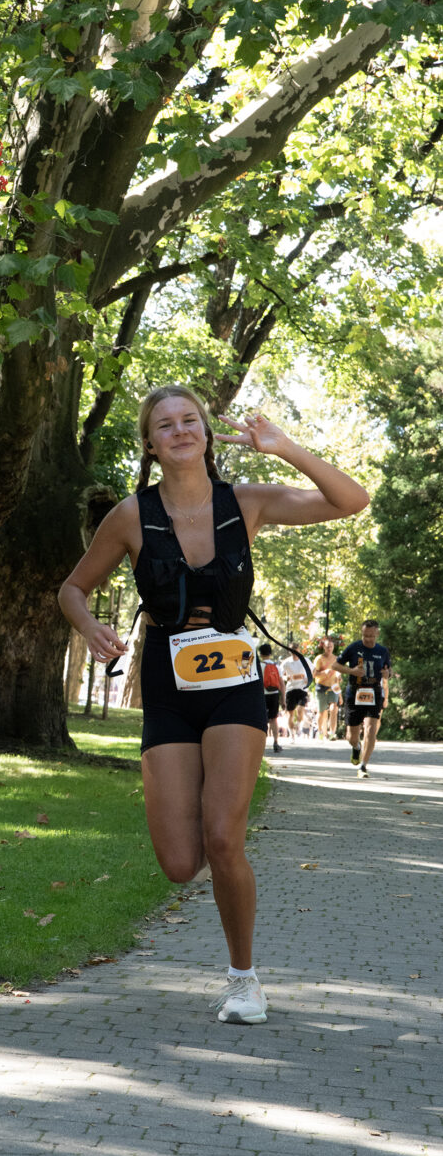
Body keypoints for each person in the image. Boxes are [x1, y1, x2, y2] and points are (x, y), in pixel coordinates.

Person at [58, 385, 369, 1026]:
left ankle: (244, 981)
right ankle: (208, 831)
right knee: (180, 864)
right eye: (165, 425)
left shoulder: (245, 502)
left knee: (224, 838)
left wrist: (285, 447)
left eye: (190, 420)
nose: (180, 430)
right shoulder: (131, 515)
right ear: (150, 444)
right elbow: (72, 588)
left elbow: (351, 500)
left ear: (205, 431)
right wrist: (89, 626)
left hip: (233, 682)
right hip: (166, 686)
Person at [333, 620, 391, 778]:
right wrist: (351, 671)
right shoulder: (354, 648)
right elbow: (335, 666)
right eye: (365, 635)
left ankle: (363, 766)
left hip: (374, 692)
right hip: (355, 692)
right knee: (351, 737)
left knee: (371, 729)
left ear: (377, 634)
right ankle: (356, 747)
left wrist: (387, 674)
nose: (368, 639)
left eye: (371, 636)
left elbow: (388, 671)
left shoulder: (383, 651)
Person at [312, 637, 341, 741]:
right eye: (327, 647)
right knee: (322, 712)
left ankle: (332, 733)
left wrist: (339, 676)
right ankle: (320, 731)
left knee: (334, 709)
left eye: (331, 646)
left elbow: (338, 672)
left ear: (333, 647)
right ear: (324, 647)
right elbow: (314, 674)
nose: (329, 649)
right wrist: (324, 672)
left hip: (333, 688)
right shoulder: (319, 658)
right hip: (321, 687)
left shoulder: (336, 659)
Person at [258, 643, 283, 753]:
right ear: (270, 653)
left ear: (260, 654)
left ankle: (260, 744)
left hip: (262, 694)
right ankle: (276, 742)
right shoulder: (277, 666)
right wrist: (283, 698)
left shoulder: (259, 666)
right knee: (274, 719)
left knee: (262, 719)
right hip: (274, 694)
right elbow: (282, 684)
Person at [281, 648, 311, 739]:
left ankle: (298, 725)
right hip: (291, 689)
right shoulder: (286, 662)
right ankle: (291, 734)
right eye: (293, 651)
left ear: (299, 651)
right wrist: (286, 678)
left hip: (302, 689)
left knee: (300, 710)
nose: (295, 653)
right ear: (290, 652)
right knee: (290, 714)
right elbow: (281, 674)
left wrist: (308, 678)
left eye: (296, 651)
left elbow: (313, 670)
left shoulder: (305, 660)